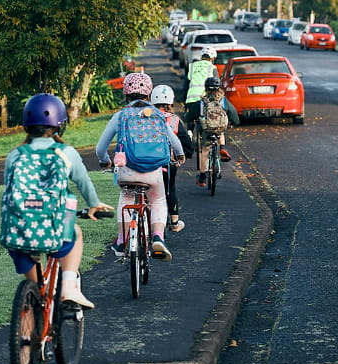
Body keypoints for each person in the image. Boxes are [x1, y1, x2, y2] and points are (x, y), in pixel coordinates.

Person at [2, 93, 114, 309]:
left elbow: (9, 191)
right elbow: (83, 182)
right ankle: (69, 288)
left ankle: (31, 326)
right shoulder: (66, 153)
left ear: (26, 125)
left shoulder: (15, 155)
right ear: (60, 125)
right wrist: (94, 204)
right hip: (55, 228)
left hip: (18, 229)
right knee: (76, 233)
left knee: (38, 292)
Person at [95, 71, 186, 261]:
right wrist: (179, 155)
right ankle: (158, 237)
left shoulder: (120, 116)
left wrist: (105, 160)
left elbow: (100, 147)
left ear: (126, 93)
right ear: (149, 93)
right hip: (153, 171)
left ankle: (122, 240)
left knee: (126, 198)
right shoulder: (158, 115)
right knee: (158, 200)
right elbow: (175, 142)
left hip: (126, 170)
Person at [150, 84, 195, 232]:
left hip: (145, 162)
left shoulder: (146, 117)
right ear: (170, 102)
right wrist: (185, 155)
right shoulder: (174, 120)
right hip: (168, 163)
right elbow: (187, 145)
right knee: (169, 189)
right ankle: (174, 221)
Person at [186, 76, 240, 186]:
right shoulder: (223, 101)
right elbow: (234, 116)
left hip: (207, 130)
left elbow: (189, 117)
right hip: (220, 129)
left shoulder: (202, 103)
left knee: (205, 151)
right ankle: (222, 148)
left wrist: (190, 122)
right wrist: (234, 122)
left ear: (206, 88)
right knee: (221, 131)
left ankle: (202, 177)